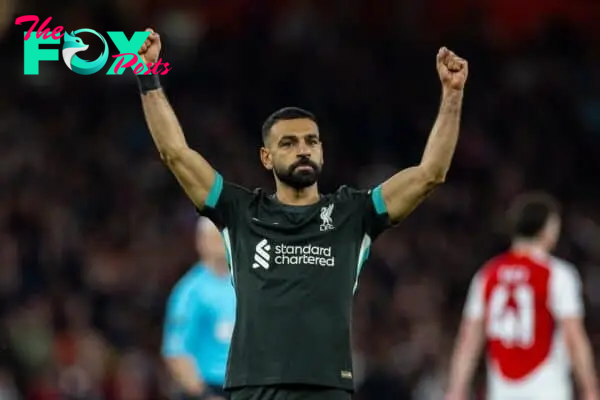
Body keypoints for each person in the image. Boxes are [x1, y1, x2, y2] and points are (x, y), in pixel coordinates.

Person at [135, 28, 468, 400]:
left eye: (311, 141)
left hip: (326, 389)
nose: (303, 150)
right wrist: (146, 73)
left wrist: (452, 96)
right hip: (253, 389)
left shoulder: (353, 214)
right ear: (266, 157)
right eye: (289, 143)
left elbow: (429, 174)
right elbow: (175, 153)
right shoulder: (239, 212)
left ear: (322, 152)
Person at [445, 192, 599, 400]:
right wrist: (590, 388)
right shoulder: (557, 274)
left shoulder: (488, 274)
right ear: (548, 228)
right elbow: (574, 335)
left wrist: (457, 389)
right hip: (547, 387)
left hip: (502, 391)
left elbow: (470, 338)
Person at [162, 217, 236, 400]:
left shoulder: (246, 283)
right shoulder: (190, 292)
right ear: (201, 242)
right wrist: (204, 394)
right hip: (209, 388)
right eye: (215, 237)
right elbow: (176, 352)